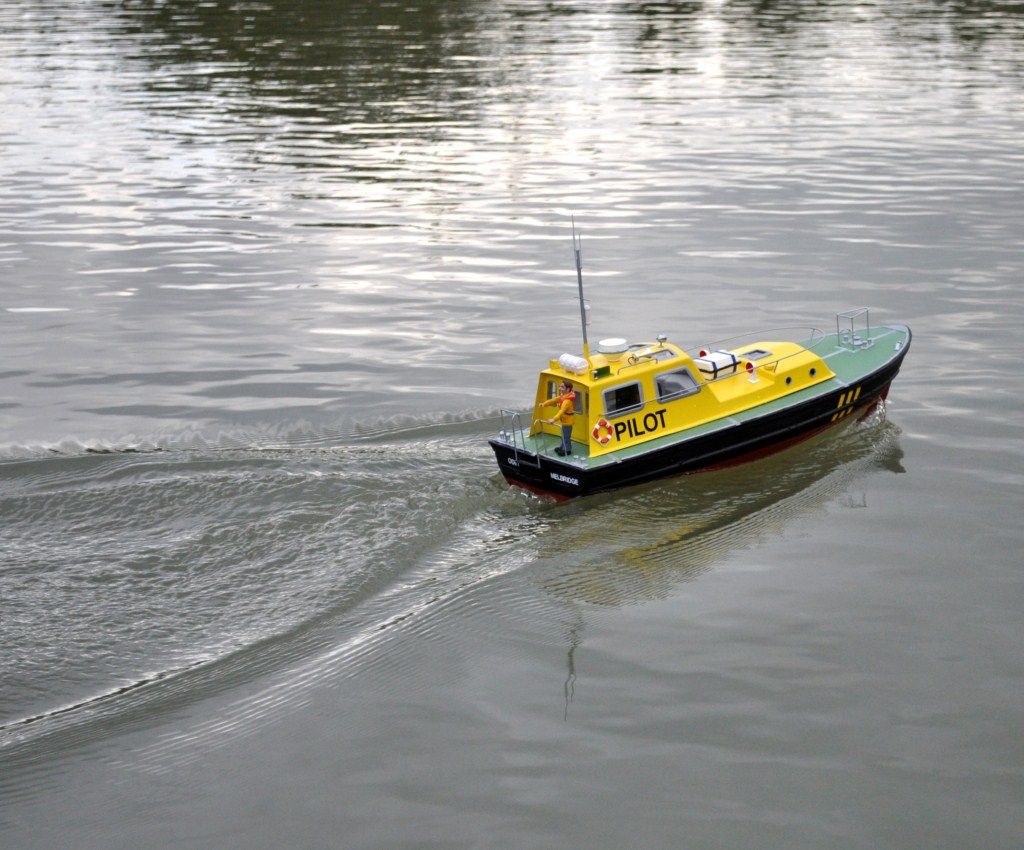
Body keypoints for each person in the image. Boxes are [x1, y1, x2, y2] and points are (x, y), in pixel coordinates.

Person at [541, 379, 576, 456]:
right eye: (560, 386)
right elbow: (554, 400)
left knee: (566, 436)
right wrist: (544, 404)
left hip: (568, 422)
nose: (560, 388)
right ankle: (562, 447)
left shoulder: (567, 401)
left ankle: (567, 450)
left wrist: (553, 419)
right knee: (563, 435)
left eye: (562, 387)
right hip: (564, 420)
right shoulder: (563, 396)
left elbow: (561, 411)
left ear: (568, 389)